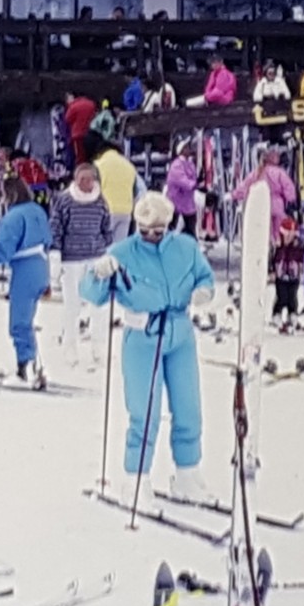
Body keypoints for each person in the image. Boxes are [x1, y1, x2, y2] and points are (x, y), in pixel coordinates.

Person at [81, 191, 216, 499]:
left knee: (188, 406)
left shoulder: (186, 247)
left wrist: (204, 292)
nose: (151, 236)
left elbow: (204, 277)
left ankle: (187, 472)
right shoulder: (123, 252)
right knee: (144, 411)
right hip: (143, 335)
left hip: (180, 333)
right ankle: (136, 478)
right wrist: (97, 273)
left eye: (158, 230)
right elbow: (93, 295)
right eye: (145, 230)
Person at [0, 175, 53, 383]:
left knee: (19, 322)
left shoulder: (13, 217)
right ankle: (30, 360)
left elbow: (5, 248)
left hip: (24, 269)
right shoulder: (37, 210)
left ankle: (26, 364)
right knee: (28, 318)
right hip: (41, 265)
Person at [49, 162, 114, 367]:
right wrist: (55, 256)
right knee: (72, 306)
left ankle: (98, 348)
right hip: (71, 260)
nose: (85, 183)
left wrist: (107, 252)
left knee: (98, 307)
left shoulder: (100, 201)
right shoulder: (65, 200)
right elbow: (56, 228)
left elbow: (107, 228)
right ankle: (70, 348)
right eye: (81, 179)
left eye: (89, 179)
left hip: (95, 258)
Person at [232, 146, 297, 240]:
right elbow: (289, 187)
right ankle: (277, 244)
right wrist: (291, 199)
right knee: (279, 232)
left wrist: (234, 195)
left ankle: (269, 245)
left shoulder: (257, 173)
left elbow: (245, 186)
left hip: (262, 205)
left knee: (265, 233)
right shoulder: (280, 173)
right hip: (278, 205)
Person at [88, 132, 140, 242]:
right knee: (119, 247)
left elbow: (92, 190)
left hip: (105, 212)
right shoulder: (129, 166)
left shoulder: (98, 165)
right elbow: (135, 192)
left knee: (103, 247)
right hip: (125, 212)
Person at [269, 218, 304, 321]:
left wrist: (301, 267)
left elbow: (301, 257)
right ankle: (277, 313)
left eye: (291, 236)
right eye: (287, 235)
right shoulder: (278, 247)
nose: (289, 238)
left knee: (292, 297)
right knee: (281, 296)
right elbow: (272, 259)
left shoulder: (297, 247)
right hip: (280, 276)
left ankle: (292, 312)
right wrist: (271, 271)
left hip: (293, 276)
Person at [164, 140, 200, 236]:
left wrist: (197, 182)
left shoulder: (190, 163)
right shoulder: (176, 165)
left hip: (188, 201)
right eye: (186, 147)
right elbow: (182, 181)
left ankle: (190, 241)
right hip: (176, 200)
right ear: (181, 150)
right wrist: (194, 184)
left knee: (191, 226)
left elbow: (193, 178)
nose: (189, 149)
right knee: (171, 227)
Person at [63, 92, 98, 166]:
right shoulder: (91, 104)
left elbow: (67, 119)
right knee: (90, 155)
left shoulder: (73, 106)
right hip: (90, 133)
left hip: (78, 135)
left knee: (80, 157)